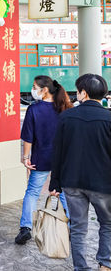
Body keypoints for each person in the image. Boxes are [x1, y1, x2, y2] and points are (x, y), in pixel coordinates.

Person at [49, 73, 111, 271]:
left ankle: (81, 268)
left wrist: (55, 183)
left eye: (77, 91)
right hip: (104, 184)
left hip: (72, 182)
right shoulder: (109, 118)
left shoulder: (66, 117)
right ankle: (105, 265)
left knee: (78, 228)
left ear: (83, 93)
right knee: (108, 224)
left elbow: (58, 152)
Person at [15, 74, 72, 246]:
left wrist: (25, 158)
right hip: (62, 160)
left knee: (32, 193)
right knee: (62, 193)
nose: (33, 90)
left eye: (34, 86)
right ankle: (73, 227)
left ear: (44, 90)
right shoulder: (65, 109)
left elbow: (28, 138)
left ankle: (25, 228)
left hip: (41, 158)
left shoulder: (34, 109)